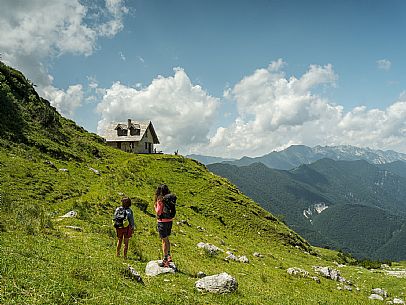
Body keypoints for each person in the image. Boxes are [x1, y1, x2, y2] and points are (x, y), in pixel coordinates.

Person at [154, 184, 175, 267]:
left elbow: (158, 212)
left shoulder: (160, 199)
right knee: (166, 239)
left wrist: (155, 207)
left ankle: (165, 259)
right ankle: (169, 255)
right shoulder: (169, 198)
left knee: (164, 240)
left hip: (162, 221)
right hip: (170, 221)